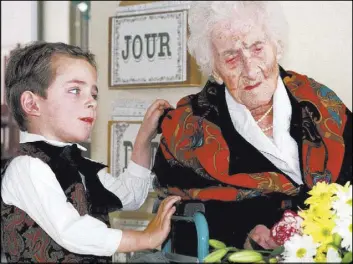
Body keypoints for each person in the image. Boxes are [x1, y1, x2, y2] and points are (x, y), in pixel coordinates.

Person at [152, 1, 352, 256]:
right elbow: (181, 216)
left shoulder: (321, 102)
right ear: (214, 68)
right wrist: (244, 234)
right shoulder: (189, 128)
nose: (249, 69)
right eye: (231, 56)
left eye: (257, 48)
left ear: (276, 46)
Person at [0, 41, 181, 263]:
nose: (91, 102)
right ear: (31, 104)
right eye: (75, 90)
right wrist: (145, 238)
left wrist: (144, 137)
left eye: (93, 94)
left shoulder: (80, 166)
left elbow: (130, 195)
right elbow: (72, 230)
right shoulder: (26, 167)